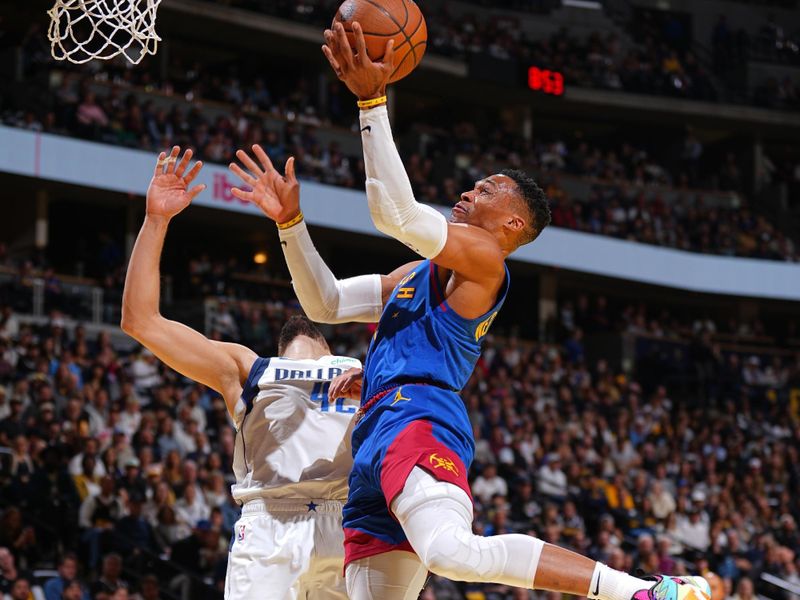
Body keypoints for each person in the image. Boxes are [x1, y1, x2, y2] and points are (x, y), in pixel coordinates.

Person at [227, 21, 712, 600]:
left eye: (485, 191)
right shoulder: (416, 275)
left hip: (419, 413)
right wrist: (289, 225)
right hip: (372, 432)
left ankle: (642, 591)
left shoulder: (485, 261)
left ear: (512, 224)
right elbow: (324, 303)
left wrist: (371, 101)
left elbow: (396, 216)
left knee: (452, 551)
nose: (467, 193)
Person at [120, 146, 360, 599]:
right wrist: (155, 221)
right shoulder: (248, 368)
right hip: (270, 519)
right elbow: (140, 320)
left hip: (347, 523)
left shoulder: (366, 369)